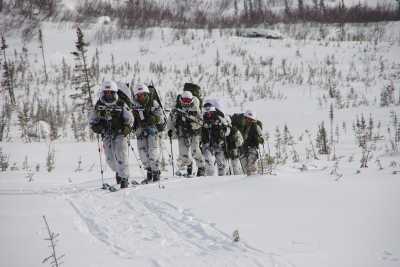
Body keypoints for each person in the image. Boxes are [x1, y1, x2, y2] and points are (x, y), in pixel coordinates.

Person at [89, 80, 134, 189]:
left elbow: (130, 119)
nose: (108, 94)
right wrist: (96, 127)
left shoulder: (121, 104)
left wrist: (127, 129)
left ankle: (124, 179)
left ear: (114, 93)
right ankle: (118, 172)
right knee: (110, 159)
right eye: (106, 92)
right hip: (106, 134)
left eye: (110, 92)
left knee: (121, 155)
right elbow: (92, 120)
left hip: (120, 133)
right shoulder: (99, 105)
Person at [131, 83, 165, 184]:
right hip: (140, 131)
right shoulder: (134, 105)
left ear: (146, 94)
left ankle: (156, 173)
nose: (141, 96)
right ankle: (149, 172)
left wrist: (153, 118)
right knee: (142, 154)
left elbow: (161, 117)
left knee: (153, 153)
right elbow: (129, 117)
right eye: (139, 95)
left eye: (142, 94)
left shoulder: (153, 103)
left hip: (152, 130)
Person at [167, 91, 205, 177]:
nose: (185, 102)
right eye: (184, 100)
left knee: (195, 151)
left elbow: (201, 122)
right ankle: (189, 166)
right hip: (182, 132)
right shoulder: (176, 109)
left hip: (194, 133)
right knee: (183, 153)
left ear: (191, 100)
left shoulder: (196, 108)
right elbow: (171, 119)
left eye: (188, 100)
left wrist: (193, 124)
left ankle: (201, 167)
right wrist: (170, 129)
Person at [201, 101, 231, 176]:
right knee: (208, 161)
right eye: (206, 112)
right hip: (207, 143)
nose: (208, 114)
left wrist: (223, 129)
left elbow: (227, 130)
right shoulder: (202, 119)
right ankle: (210, 178)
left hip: (218, 143)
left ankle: (222, 179)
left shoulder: (219, 118)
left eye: (210, 112)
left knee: (221, 164)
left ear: (213, 110)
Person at [240, 110, 264, 176]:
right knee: (245, 166)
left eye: (249, 119)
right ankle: (249, 179)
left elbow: (262, 140)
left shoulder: (256, 127)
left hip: (253, 148)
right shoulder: (244, 127)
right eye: (247, 118)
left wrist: (258, 138)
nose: (248, 120)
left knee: (251, 165)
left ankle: (253, 179)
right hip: (245, 148)